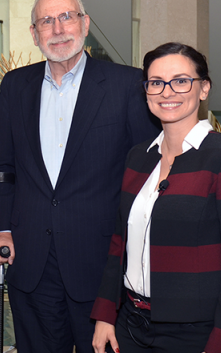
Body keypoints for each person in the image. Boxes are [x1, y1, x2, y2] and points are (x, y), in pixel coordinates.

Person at [0, 0, 161, 352]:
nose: (58, 28)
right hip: (31, 262)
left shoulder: (127, 84)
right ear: (34, 34)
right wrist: (2, 229)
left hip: (100, 263)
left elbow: (147, 173)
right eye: (46, 21)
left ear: (85, 24)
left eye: (66, 16)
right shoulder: (15, 86)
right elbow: (2, 167)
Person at [92, 42, 219, 353]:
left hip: (193, 333)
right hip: (130, 325)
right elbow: (119, 241)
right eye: (156, 83)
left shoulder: (216, 157)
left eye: (180, 80)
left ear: (203, 89)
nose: (167, 92)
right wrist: (105, 315)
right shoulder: (139, 157)